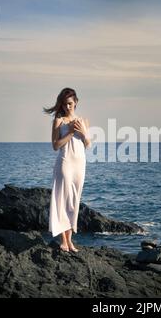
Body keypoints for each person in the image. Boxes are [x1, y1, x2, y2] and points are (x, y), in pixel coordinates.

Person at [43, 87, 91, 252]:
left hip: (80, 164)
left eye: (70, 103)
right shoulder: (59, 121)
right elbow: (55, 146)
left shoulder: (83, 120)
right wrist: (71, 132)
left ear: (76, 102)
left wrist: (83, 133)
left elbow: (88, 145)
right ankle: (63, 241)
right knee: (62, 201)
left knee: (74, 202)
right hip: (65, 163)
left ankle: (70, 241)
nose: (67, 107)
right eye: (64, 104)